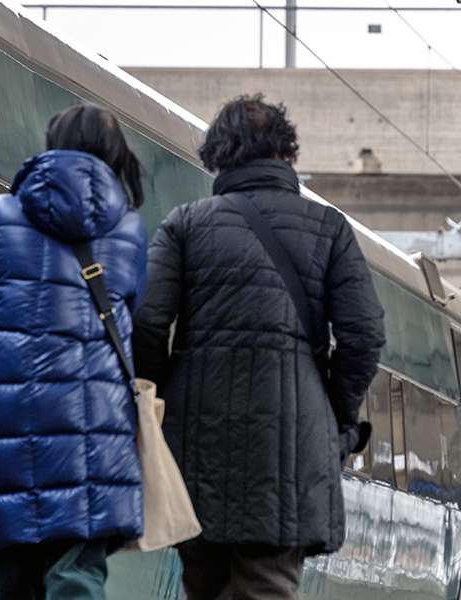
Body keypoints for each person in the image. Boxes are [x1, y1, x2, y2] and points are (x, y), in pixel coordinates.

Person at [132, 94, 386, 599]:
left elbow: (146, 323)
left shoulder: (184, 224)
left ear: (219, 156)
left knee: (202, 587)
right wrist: (332, 413)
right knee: (268, 587)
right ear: (286, 153)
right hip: (290, 455)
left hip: (194, 452)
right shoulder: (329, 228)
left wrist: (159, 401)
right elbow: (364, 335)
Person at [0, 104, 148, 599]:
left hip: (7, 428)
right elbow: (133, 323)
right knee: (76, 576)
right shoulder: (128, 231)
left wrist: (12, 343)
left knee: (4, 578)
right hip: (96, 439)